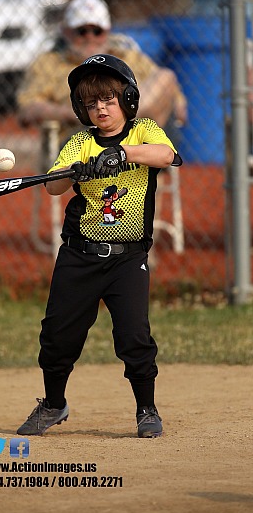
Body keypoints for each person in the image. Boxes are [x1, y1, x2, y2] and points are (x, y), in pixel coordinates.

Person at [16, 53, 182, 438]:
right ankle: (54, 404)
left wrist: (121, 154)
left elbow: (168, 156)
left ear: (126, 99)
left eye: (108, 100)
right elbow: (54, 186)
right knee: (58, 335)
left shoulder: (144, 131)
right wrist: (75, 170)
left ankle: (147, 409)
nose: (100, 109)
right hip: (79, 254)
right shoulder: (78, 142)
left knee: (134, 336)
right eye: (91, 103)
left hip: (128, 258)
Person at [17, 0, 188, 140]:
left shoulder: (131, 57)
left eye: (97, 31)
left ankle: (123, 118)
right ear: (66, 31)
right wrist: (76, 114)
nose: (90, 37)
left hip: (140, 138)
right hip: (84, 139)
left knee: (166, 77)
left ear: (107, 31)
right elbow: (29, 109)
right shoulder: (49, 63)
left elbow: (178, 107)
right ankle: (122, 118)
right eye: (82, 31)